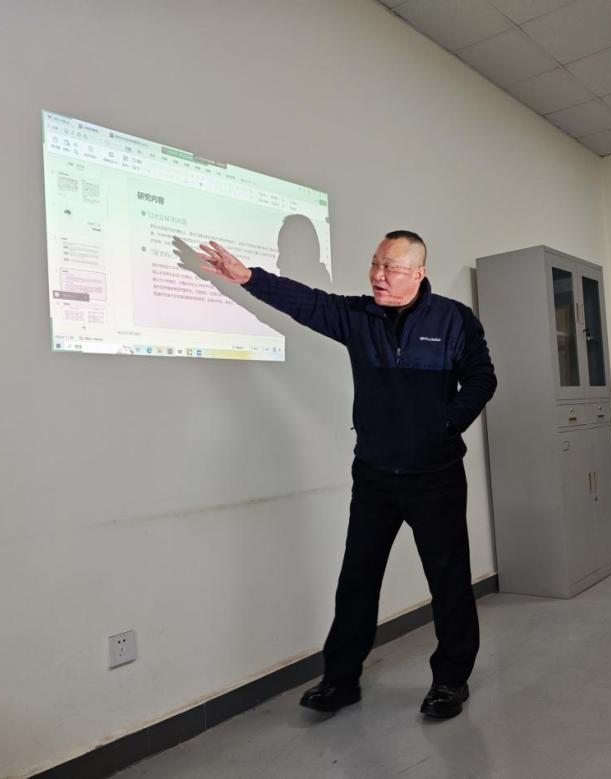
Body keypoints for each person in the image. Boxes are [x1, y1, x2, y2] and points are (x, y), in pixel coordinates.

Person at [186, 230, 497, 720]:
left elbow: (482, 378)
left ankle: (450, 680)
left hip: (434, 476)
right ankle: (340, 680)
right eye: (375, 263)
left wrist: (445, 424)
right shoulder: (359, 317)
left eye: (391, 268)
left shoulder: (453, 319)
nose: (378, 275)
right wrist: (248, 278)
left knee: (449, 581)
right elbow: (307, 303)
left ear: (419, 273)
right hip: (374, 476)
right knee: (357, 581)